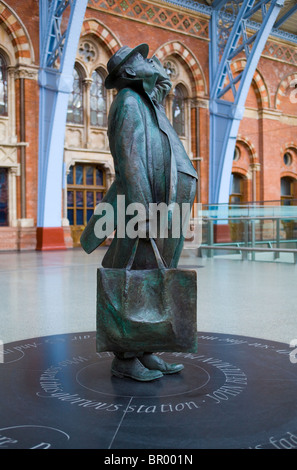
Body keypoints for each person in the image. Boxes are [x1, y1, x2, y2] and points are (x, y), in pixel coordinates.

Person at [81, 44, 198, 382]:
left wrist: (159, 80)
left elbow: (160, 89)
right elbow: (130, 164)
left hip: (168, 206)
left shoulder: (147, 103)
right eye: (146, 60)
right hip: (148, 209)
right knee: (136, 276)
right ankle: (125, 358)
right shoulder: (128, 104)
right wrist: (143, 214)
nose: (155, 61)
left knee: (153, 280)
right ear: (130, 74)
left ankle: (145, 349)